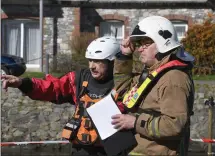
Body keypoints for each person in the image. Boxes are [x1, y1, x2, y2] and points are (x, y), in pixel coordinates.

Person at [1, 36, 133, 156]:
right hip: (80, 150)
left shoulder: (127, 84)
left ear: (113, 62)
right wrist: (22, 83)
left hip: (111, 150)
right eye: (90, 60)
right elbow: (52, 88)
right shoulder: (79, 79)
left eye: (98, 61)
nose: (92, 66)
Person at [111, 16, 195, 156]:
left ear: (162, 43)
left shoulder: (173, 79)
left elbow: (174, 125)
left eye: (146, 44)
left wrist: (135, 122)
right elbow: (124, 93)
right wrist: (125, 57)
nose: (139, 49)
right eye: (140, 44)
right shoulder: (151, 74)